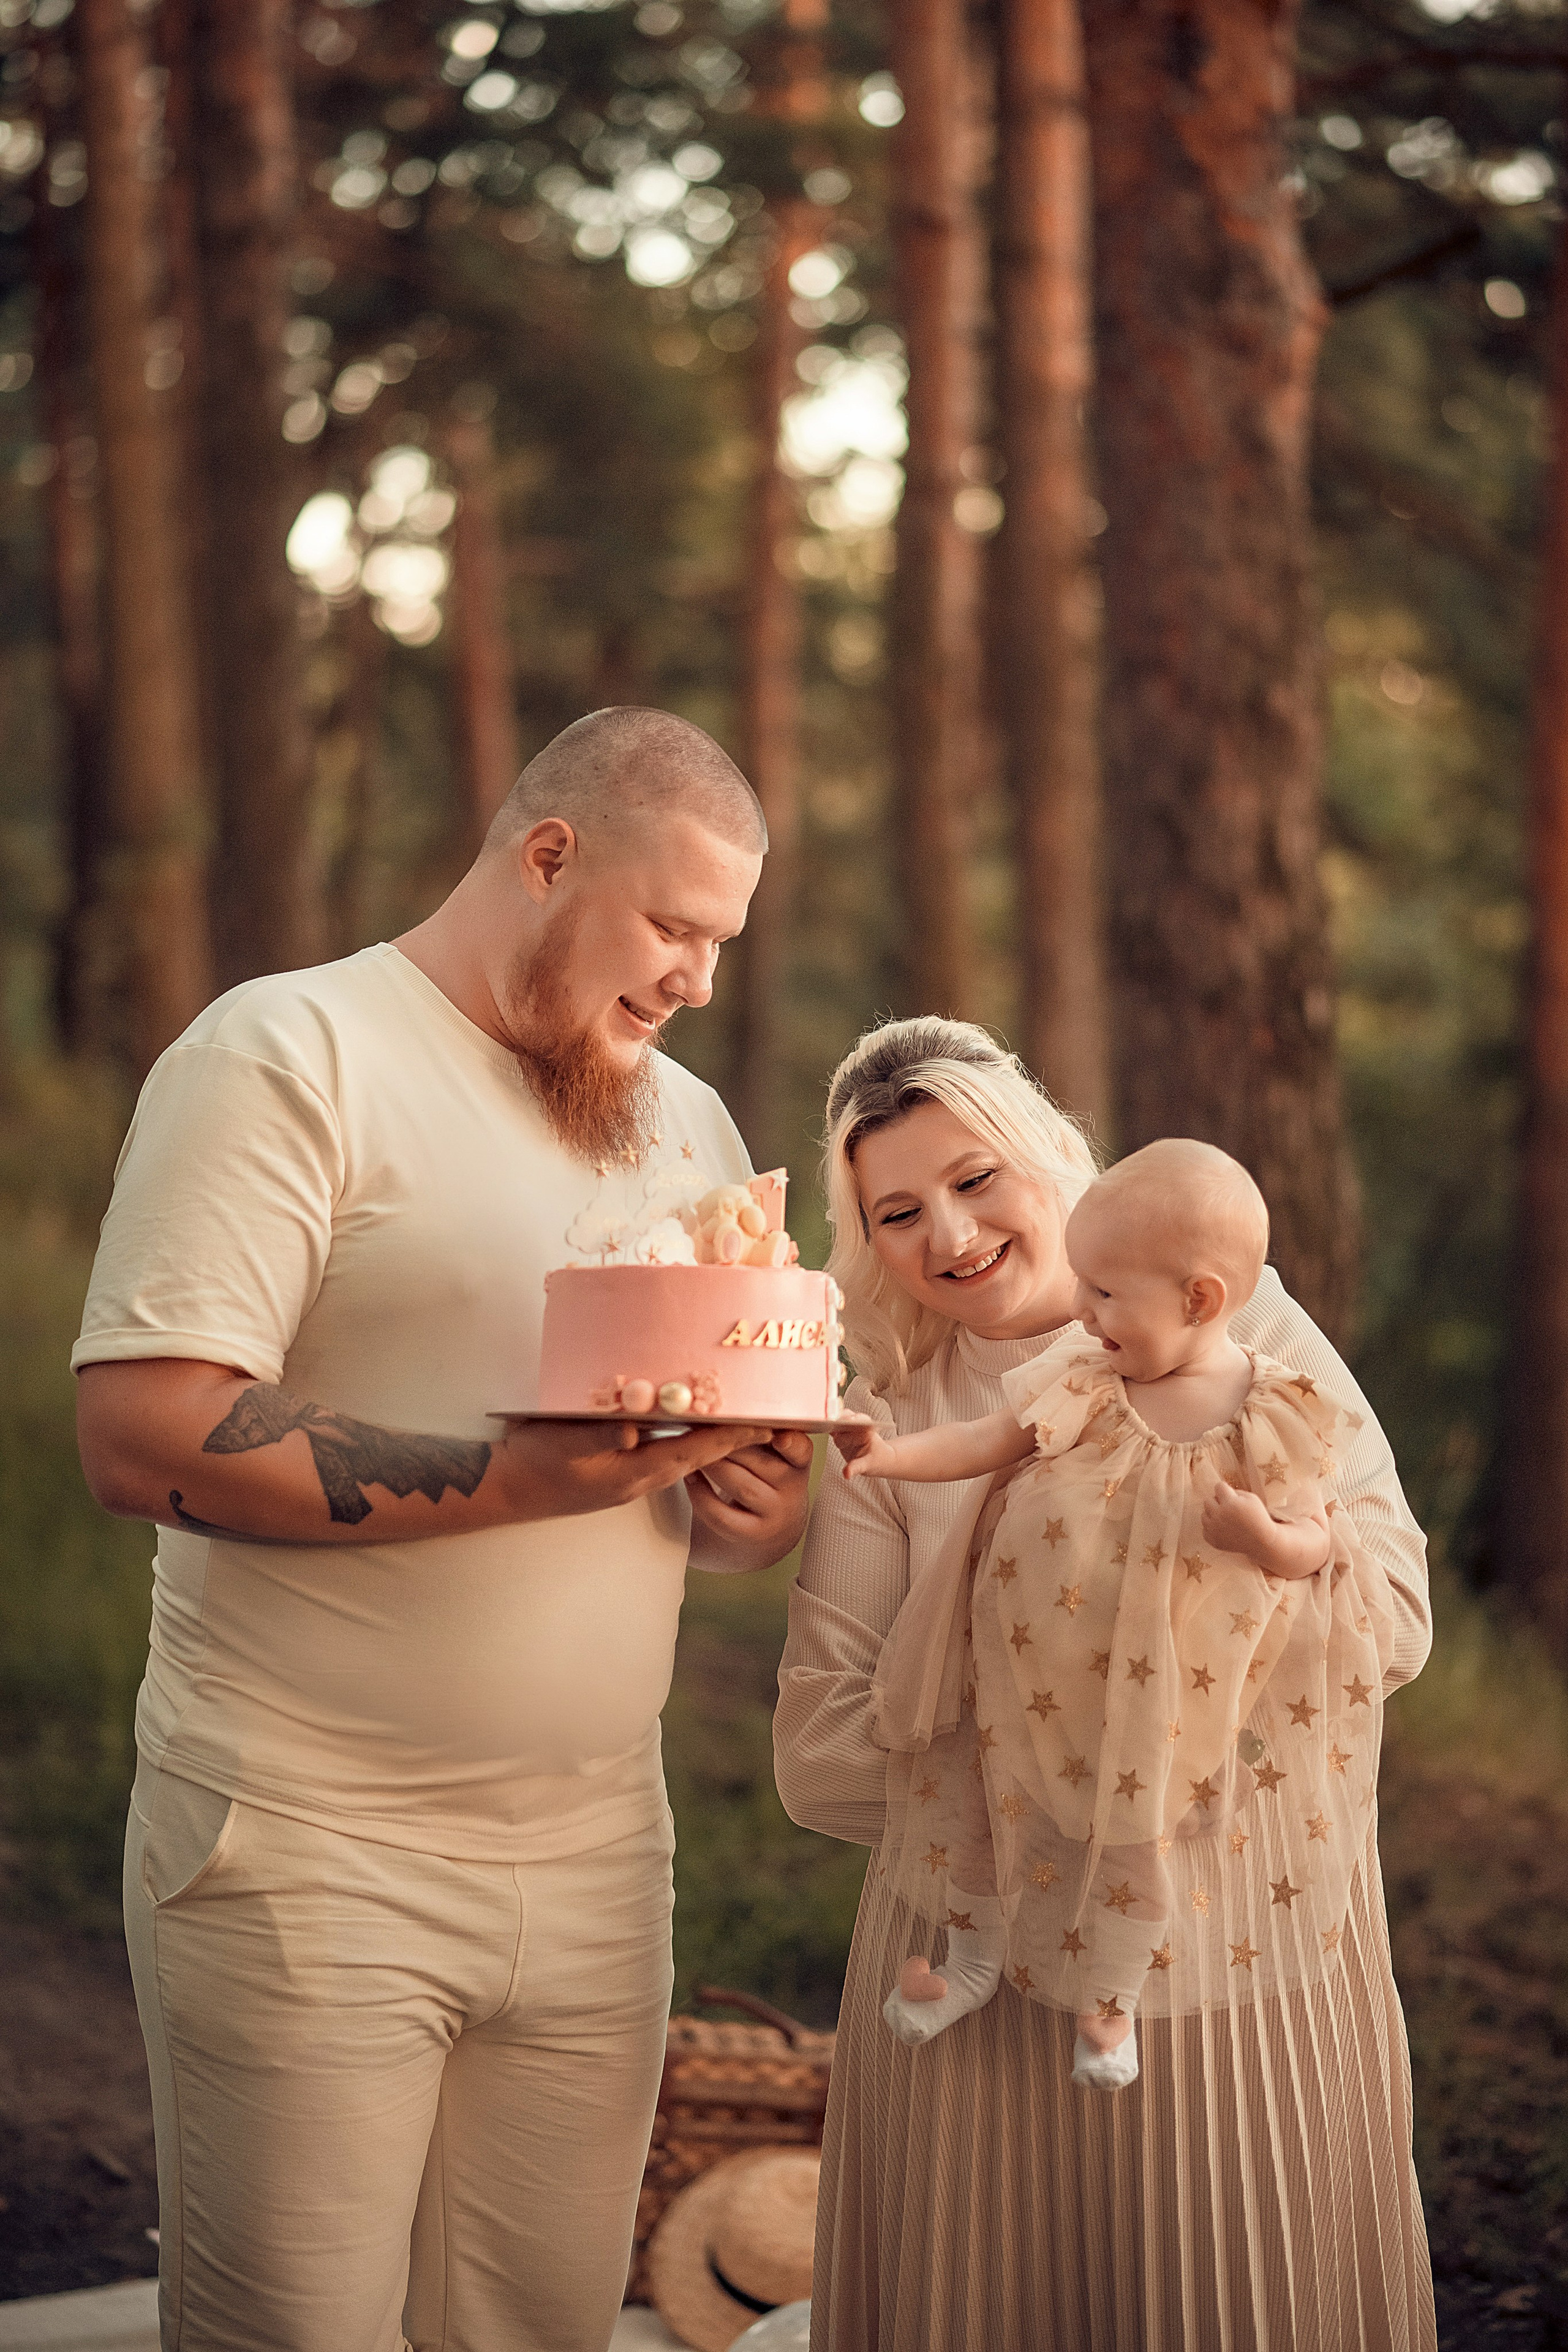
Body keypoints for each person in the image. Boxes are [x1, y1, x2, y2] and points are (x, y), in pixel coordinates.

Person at [73, 706, 815, 2352]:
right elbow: (141, 1432)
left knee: (536, 2331)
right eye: (674, 925)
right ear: (548, 855)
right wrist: (512, 1478)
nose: (700, 974)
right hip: (307, 1850)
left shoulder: (687, 1124)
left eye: (722, 942)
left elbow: (668, 1480)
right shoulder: (286, 1052)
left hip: (599, 1860)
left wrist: (744, 1508)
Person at [774, 1017, 1437, 2352]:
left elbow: (1396, 1617)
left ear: (1043, 1159)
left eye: (973, 1181)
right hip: (977, 1985)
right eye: (895, 1212)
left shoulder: (1234, 1328)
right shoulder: (891, 1416)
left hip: (1242, 1952)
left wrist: (1165, 1717)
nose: (947, 1237)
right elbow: (816, 1750)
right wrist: (1039, 1745)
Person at [829, 1137, 1395, 2100]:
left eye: (1104, 1294)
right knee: (983, 1806)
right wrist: (888, 1457)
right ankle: (966, 1963)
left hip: (1166, 1696)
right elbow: (984, 1440)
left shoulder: (1272, 1411)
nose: (1082, 1314)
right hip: (1031, 1667)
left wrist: (1261, 1535)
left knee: (1134, 1835)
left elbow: (1319, 1544)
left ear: (1200, 1301)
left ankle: (1111, 1995)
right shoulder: (1089, 1380)